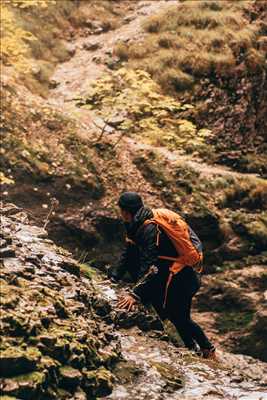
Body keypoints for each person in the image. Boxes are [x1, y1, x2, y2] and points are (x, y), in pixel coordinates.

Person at [109, 192, 216, 359]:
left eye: (120, 209)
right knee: (173, 315)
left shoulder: (149, 228)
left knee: (180, 317)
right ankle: (192, 349)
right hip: (168, 273)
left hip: (182, 275)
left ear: (126, 211)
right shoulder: (134, 223)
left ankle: (207, 350)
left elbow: (150, 264)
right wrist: (114, 276)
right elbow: (128, 252)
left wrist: (135, 294)